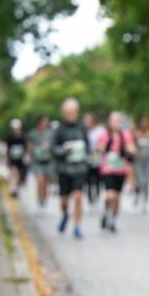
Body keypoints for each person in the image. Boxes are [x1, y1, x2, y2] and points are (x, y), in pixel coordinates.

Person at [52, 98, 90, 239]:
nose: (70, 114)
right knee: (64, 200)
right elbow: (54, 150)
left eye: (72, 112)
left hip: (79, 169)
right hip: (64, 170)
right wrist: (65, 150)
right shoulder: (59, 130)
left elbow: (87, 147)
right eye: (67, 112)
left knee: (78, 197)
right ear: (63, 113)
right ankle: (65, 214)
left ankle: (77, 226)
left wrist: (88, 157)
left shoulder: (82, 128)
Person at [95, 111, 137, 233]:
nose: (116, 123)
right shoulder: (105, 134)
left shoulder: (125, 134)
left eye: (118, 121)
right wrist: (99, 150)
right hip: (107, 169)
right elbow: (99, 148)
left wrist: (134, 150)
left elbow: (131, 147)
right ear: (109, 121)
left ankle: (112, 220)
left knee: (117, 198)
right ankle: (106, 212)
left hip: (120, 170)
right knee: (109, 195)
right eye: (114, 120)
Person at [28, 115, 56, 211]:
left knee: (46, 183)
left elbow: (55, 146)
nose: (45, 124)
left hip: (48, 161)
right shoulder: (33, 133)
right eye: (43, 122)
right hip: (37, 161)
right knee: (40, 180)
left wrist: (49, 147)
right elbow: (29, 146)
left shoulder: (51, 134)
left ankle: (44, 198)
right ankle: (40, 198)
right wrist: (37, 148)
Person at [132, 115, 149, 214]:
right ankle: (138, 195)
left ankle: (145, 202)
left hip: (148, 159)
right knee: (140, 180)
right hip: (139, 159)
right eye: (142, 122)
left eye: (146, 122)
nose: (144, 124)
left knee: (147, 181)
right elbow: (132, 145)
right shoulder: (137, 134)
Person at [83, 112, 103, 211]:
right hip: (86, 158)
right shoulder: (83, 131)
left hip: (98, 157)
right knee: (88, 181)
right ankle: (90, 200)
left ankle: (97, 197)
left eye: (88, 121)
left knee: (98, 180)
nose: (86, 123)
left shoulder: (100, 131)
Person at [5, 118, 27, 197]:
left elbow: (26, 147)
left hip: (21, 158)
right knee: (14, 173)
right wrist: (7, 158)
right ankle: (13, 188)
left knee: (20, 174)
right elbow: (8, 149)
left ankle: (17, 188)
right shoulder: (10, 137)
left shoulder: (23, 136)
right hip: (13, 158)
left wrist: (26, 156)